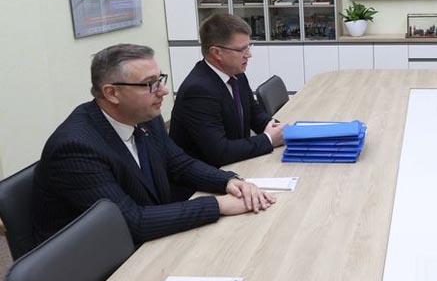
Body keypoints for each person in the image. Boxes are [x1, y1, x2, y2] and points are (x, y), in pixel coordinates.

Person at [33, 44, 275, 244]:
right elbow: (130, 222)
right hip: (96, 265)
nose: (163, 91)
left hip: (145, 240)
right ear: (112, 93)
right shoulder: (76, 148)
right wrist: (217, 204)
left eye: (160, 79)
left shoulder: (145, 116)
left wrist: (230, 181)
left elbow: (179, 164)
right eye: (150, 84)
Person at [169, 14, 284, 168]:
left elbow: (254, 113)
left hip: (238, 163)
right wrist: (268, 139)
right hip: (207, 175)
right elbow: (220, 152)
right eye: (241, 49)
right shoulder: (198, 91)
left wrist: (279, 128)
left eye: (249, 46)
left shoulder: (236, 74)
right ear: (216, 52)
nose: (249, 54)